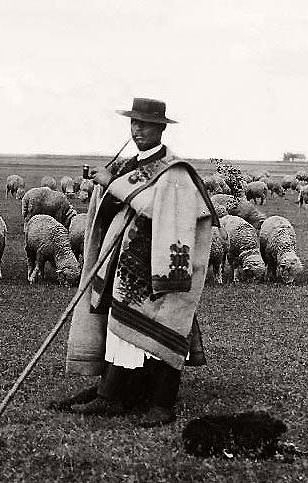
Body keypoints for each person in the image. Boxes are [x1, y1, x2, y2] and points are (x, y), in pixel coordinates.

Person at [49, 97, 218, 427]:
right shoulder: (129, 167)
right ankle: (112, 392)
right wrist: (107, 187)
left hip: (161, 268)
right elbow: (118, 206)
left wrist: (112, 184)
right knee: (120, 328)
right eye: (134, 123)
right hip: (125, 263)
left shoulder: (175, 171)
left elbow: (165, 211)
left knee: (164, 326)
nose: (138, 129)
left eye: (146, 124)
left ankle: (161, 403)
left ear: (160, 128)